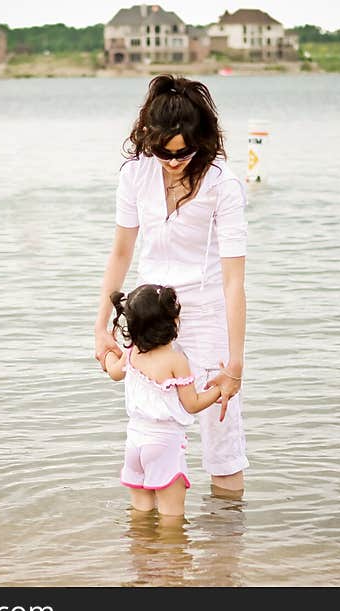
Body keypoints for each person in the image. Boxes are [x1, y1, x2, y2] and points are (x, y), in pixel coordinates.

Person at [94, 74, 249, 494]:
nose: (174, 160)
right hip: (149, 316)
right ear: (148, 138)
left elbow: (234, 280)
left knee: (222, 442)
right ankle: (153, 548)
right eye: (163, 152)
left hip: (206, 315)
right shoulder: (135, 175)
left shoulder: (223, 185)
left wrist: (235, 364)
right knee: (150, 430)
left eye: (184, 152)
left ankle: (225, 554)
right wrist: (100, 326)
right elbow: (121, 253)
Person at [103, 284, 222, 517]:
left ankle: (141, 551)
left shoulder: (132, 353)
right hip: (164, 445)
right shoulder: (175, 360)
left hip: (135, 443)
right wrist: (221, 390)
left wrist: (106, 354)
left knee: (140, 513)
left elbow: (114, 372)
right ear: (173, 322)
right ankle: (171, 553)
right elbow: (193, 404)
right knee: (171, 517)